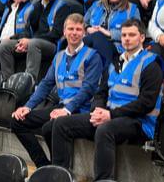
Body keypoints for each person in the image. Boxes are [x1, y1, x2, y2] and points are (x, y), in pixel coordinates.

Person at [52, 19, 163, 181]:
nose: (127, 39)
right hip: (109, 116)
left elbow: (146, 103)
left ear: (142, 38)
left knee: (105, 130)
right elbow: (101, 92)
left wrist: (110, 115)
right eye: (124, 35)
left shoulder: (151, 64)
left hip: (139, 122)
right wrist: (97, 111)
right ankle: (59, 178)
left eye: (132, 35)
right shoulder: (115, 62)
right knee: (61, 123)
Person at [11, 14, 103, 168]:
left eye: (78, 29)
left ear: (84, 33)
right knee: (17, 121)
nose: (74, 33)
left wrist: (67, 110)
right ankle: (43, 166)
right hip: (62, 107)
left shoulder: (92, 56)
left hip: (82, 109)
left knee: (52, 126)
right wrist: (27, 106)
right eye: (71, 29)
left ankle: (59, 171)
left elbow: (88, 89)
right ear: (64, 32)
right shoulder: (59, 57)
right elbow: (46, 84)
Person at [0, 0, 71, 81]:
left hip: (52, 43)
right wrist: (15, 38)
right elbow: (28, 30)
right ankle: (8, 81)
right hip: (34, 41)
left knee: (33, 44)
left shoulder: (62, 6)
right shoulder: (36, 6)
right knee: (5, 45)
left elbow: (56, 33)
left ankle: (28, 82)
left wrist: (30, 41)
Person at [83, 0, 140, 66]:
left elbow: (136, 33)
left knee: (97, 36)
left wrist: (109, 33)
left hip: (116, 48)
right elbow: (83, 22)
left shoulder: (132, 9)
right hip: (92, 42)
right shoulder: (96, 5)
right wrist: (88, 28)